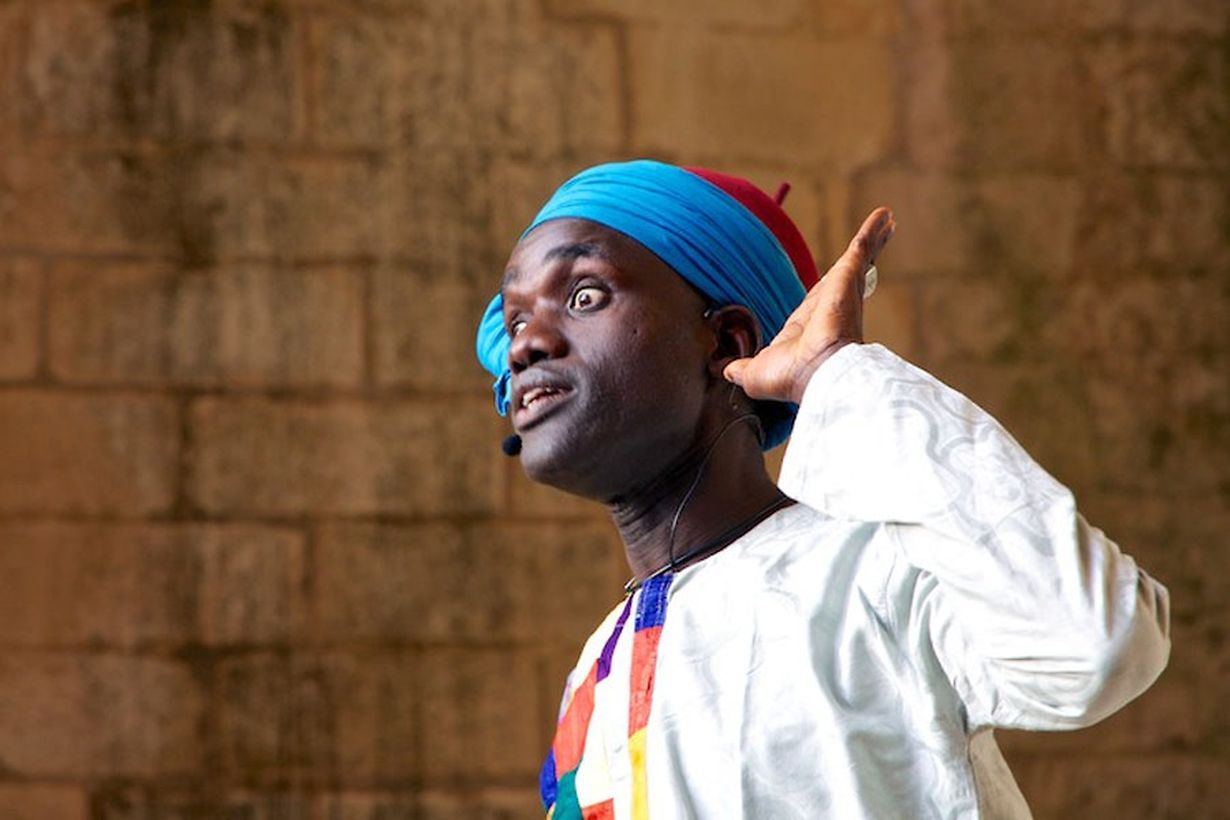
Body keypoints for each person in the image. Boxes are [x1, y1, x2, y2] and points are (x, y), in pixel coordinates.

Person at [474, 160, 1170, 819]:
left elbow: (1096, 646)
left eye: (584, 295)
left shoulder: (881, 570)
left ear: (727, 345)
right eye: (515, 321)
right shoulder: (596, 671)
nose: (526, 344)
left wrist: (838, 374)